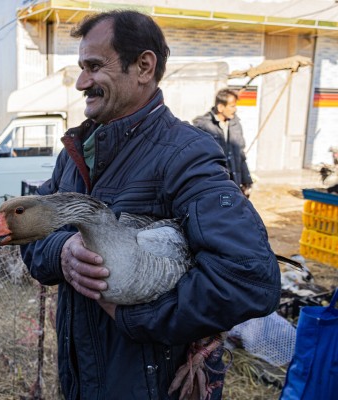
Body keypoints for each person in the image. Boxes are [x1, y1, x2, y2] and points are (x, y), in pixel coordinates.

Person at [20, 10, 280, 400]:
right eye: (80, 68)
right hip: (80, 380)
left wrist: (133, 314)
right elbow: (32, 241)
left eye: (93, 67)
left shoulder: (186, 156)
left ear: (143, 66)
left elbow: (250, 280)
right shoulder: (74, 155)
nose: (80, 83)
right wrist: (62, 253)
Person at [193, 89, 254, 198]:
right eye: (232, 106)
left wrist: (246, 180)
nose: (235, 109)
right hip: (212, 184)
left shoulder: (235, 124)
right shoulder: (203, 126)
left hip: (234, 182)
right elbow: (195, 159)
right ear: (221, 107)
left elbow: (241, 155)